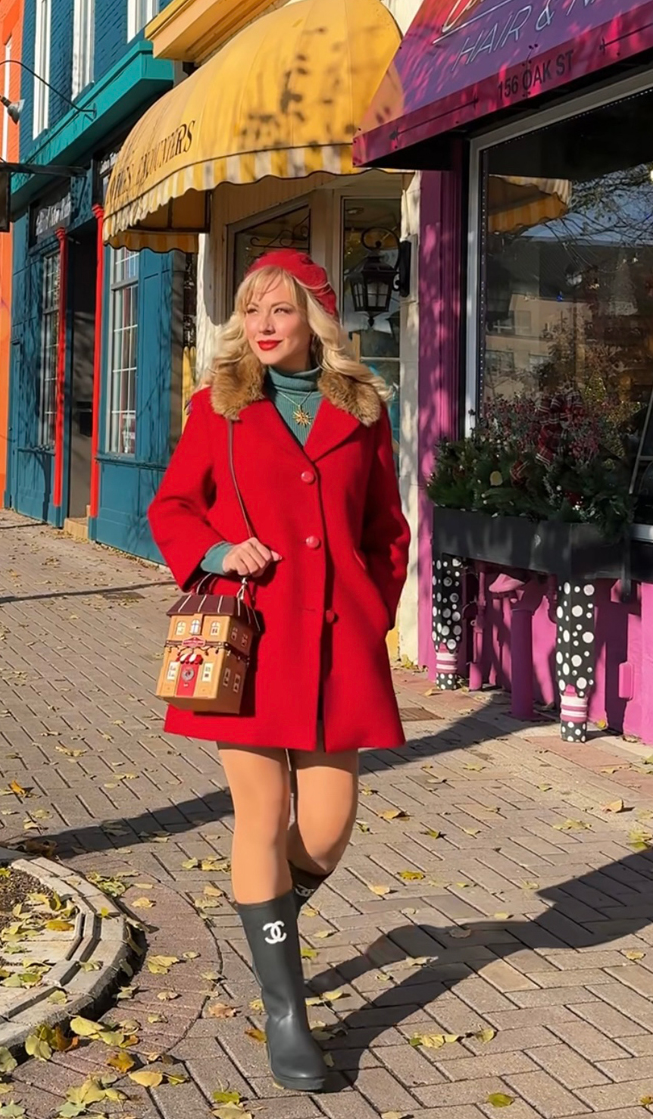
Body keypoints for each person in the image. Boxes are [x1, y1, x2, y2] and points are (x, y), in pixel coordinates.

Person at [148, 248, 410, 1093]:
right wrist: (219, 550)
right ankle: (287, 1011)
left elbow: (387, 530)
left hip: (338, 645)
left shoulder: (365, 414)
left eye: (280, 311)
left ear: (315, 323)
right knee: (260, 814)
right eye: (251, 309)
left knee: (328, 825)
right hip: (250, 646)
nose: (261, 325)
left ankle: (268, 922)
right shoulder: (216, 408)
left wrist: (374, 605)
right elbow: (172, 505)